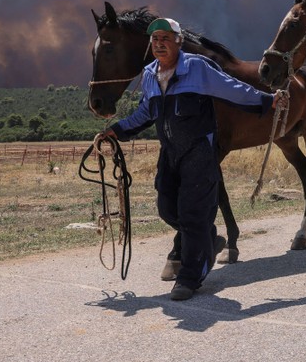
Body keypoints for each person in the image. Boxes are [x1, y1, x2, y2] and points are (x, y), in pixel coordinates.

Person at [97, 17, 284, 301]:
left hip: (199, 151)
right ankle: (208, 239)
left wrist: (267, 100)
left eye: (165, 38)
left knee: (192, 214)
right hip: (170, 153)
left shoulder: (196, 67)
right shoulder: (149, 74)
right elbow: (145, 113)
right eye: (155, 39)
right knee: (166, 208)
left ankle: (190, 278)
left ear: (178, 42)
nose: (159, 44)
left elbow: (232, 89)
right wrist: (116, 130)